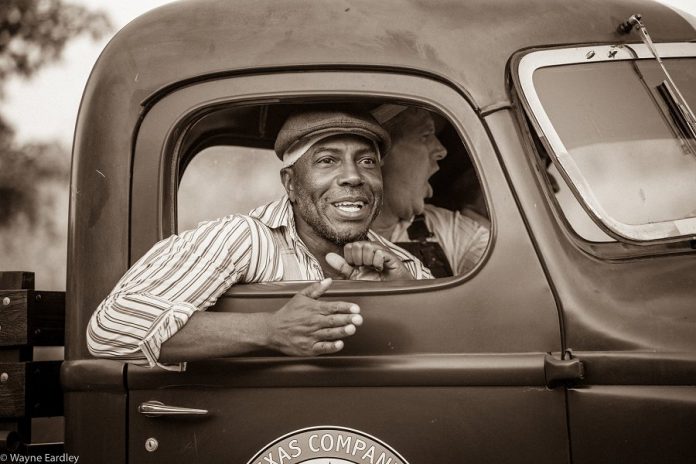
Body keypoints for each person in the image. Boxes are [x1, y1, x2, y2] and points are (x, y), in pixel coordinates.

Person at [86, 109, 432, 370]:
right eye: (327, 160)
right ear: (291, 184)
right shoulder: (245, 239)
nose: (353, 176)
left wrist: (402, 292)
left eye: (367, 161)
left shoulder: (398, 263)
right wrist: (270, 329)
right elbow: (111, 327)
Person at [370, 106, 490, 277]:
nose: (442, 151)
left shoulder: (448, 229)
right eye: (425, 135)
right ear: (377, 153)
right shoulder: (326, 238)